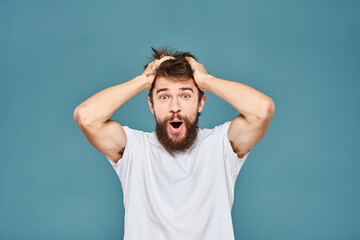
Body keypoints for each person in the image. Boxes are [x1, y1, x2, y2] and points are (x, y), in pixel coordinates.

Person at [74, 46, 275, 240]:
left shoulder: (221, 145)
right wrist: (142, 81)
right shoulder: (134, 149)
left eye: (185, 95)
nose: (175, 107)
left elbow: (262, 110)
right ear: (151, 104)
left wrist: (206, 80)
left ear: (201, 102)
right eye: (164, 96)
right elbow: (86, 117)